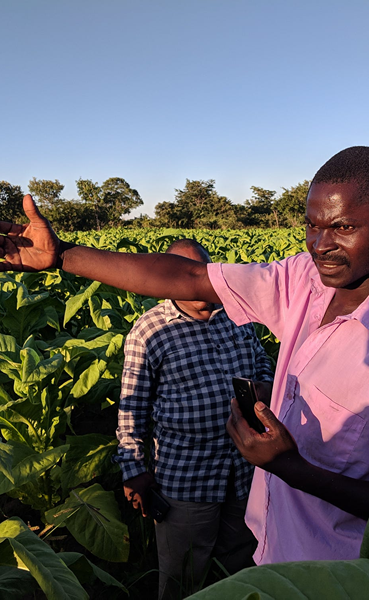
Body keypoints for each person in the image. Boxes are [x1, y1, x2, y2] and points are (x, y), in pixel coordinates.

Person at [0, 146, 369, 596]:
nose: (320, 244)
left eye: (343, 228)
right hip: (269, 550)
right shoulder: (305, 281)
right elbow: (189, 276)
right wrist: (63, 256)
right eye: (312, 226)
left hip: (337, 579)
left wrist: (289, 466)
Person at [114, 238, 273, 598]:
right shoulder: (150, 329)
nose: (194, 282)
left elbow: (260, 358)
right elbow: (132, 406)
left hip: (245, 470)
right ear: (167, 279)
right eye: (182, 274)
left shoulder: (236, 314)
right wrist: (133, 469)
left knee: (241, 565)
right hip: (187, 477)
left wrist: (263, 387)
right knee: (183, 575)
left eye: (200, 272)